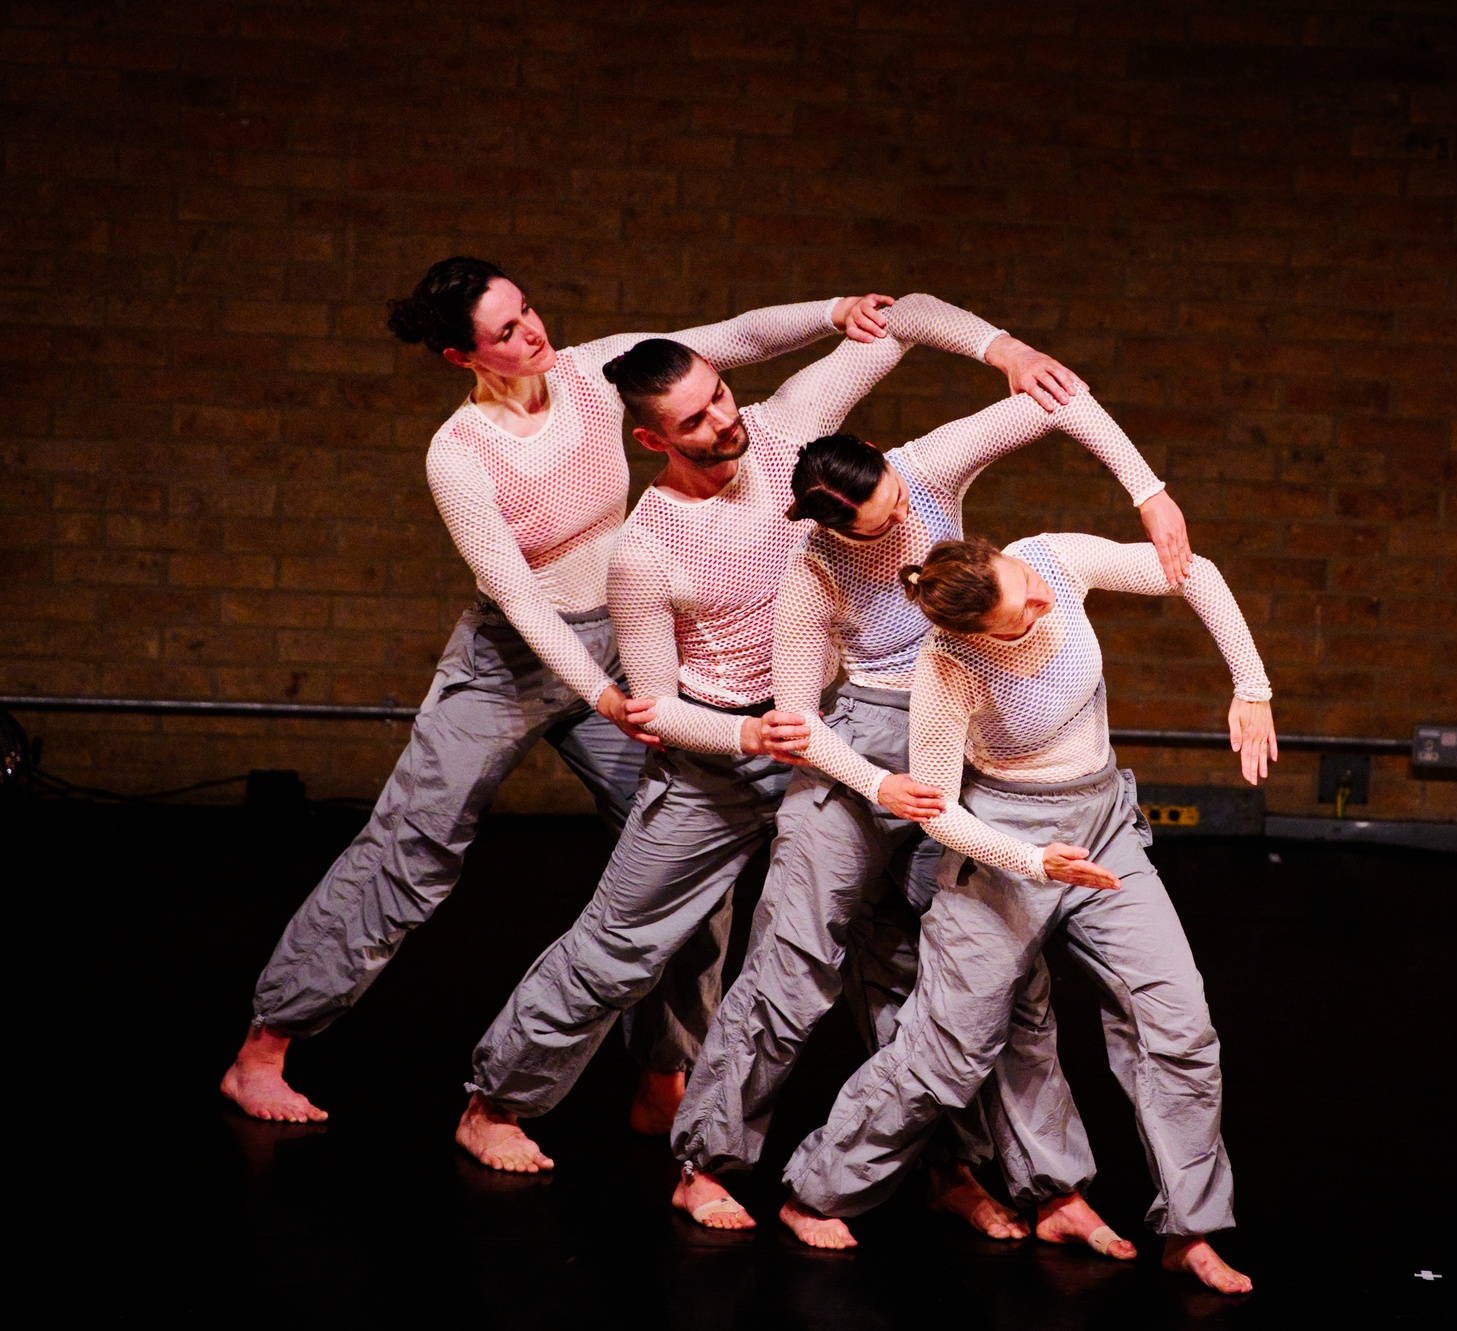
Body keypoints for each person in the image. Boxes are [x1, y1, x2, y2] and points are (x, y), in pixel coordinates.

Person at [221, 255, 894, 1124]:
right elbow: (519, 596)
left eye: (528, 310)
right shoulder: (460, 454)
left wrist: (834, 310)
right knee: (413, 847)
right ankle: (266, 1044)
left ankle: (664, 1074)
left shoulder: (591, 373)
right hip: (512, 661)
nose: (532, 332)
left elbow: (733, 338)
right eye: (505, 331)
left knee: (685, 851)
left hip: (623, 642)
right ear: (463, 357)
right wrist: (601, 695)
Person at [453, 293, 1096, 1172]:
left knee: (894, 953)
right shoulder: (645, 551)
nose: (722, 421)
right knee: (622, 944)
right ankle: (495, 1102)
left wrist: (1002, 350)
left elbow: (903, 319)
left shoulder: (787, 426)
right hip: (717, 757)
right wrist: (749, 739)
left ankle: (950, 1167)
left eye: (719, 395)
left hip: (829, 737)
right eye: (694, 420)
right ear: (651, 440)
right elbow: (653, 708)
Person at [669, 394, 1190, 1251]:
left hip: (960, 743)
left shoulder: (926, 468)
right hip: (860, 758)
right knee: (792, 966)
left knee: (988, 984)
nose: (902, 516)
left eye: (896, 497)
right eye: (879, 521)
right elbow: (798, 722)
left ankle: (1010, 1180)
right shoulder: (813, 574)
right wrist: (881, 785)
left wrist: (1150, 493)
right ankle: (705, 1163)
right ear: (834, 527)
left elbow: (1058, 400)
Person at [781, 532, 1276, 1295]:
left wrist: (1252, 685)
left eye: (1023, 583)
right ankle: (815, 1191)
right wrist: (1035, 860)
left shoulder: (1050, 558)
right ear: (976, 632)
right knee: (949, 1049)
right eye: (1021, 613)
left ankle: (1192, 1229)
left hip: (1102, 826)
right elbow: (939, 810)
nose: (1041, 601)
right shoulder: (947, 666)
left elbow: (1193, 570)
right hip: (1005, 842)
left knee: (1178, 1020)